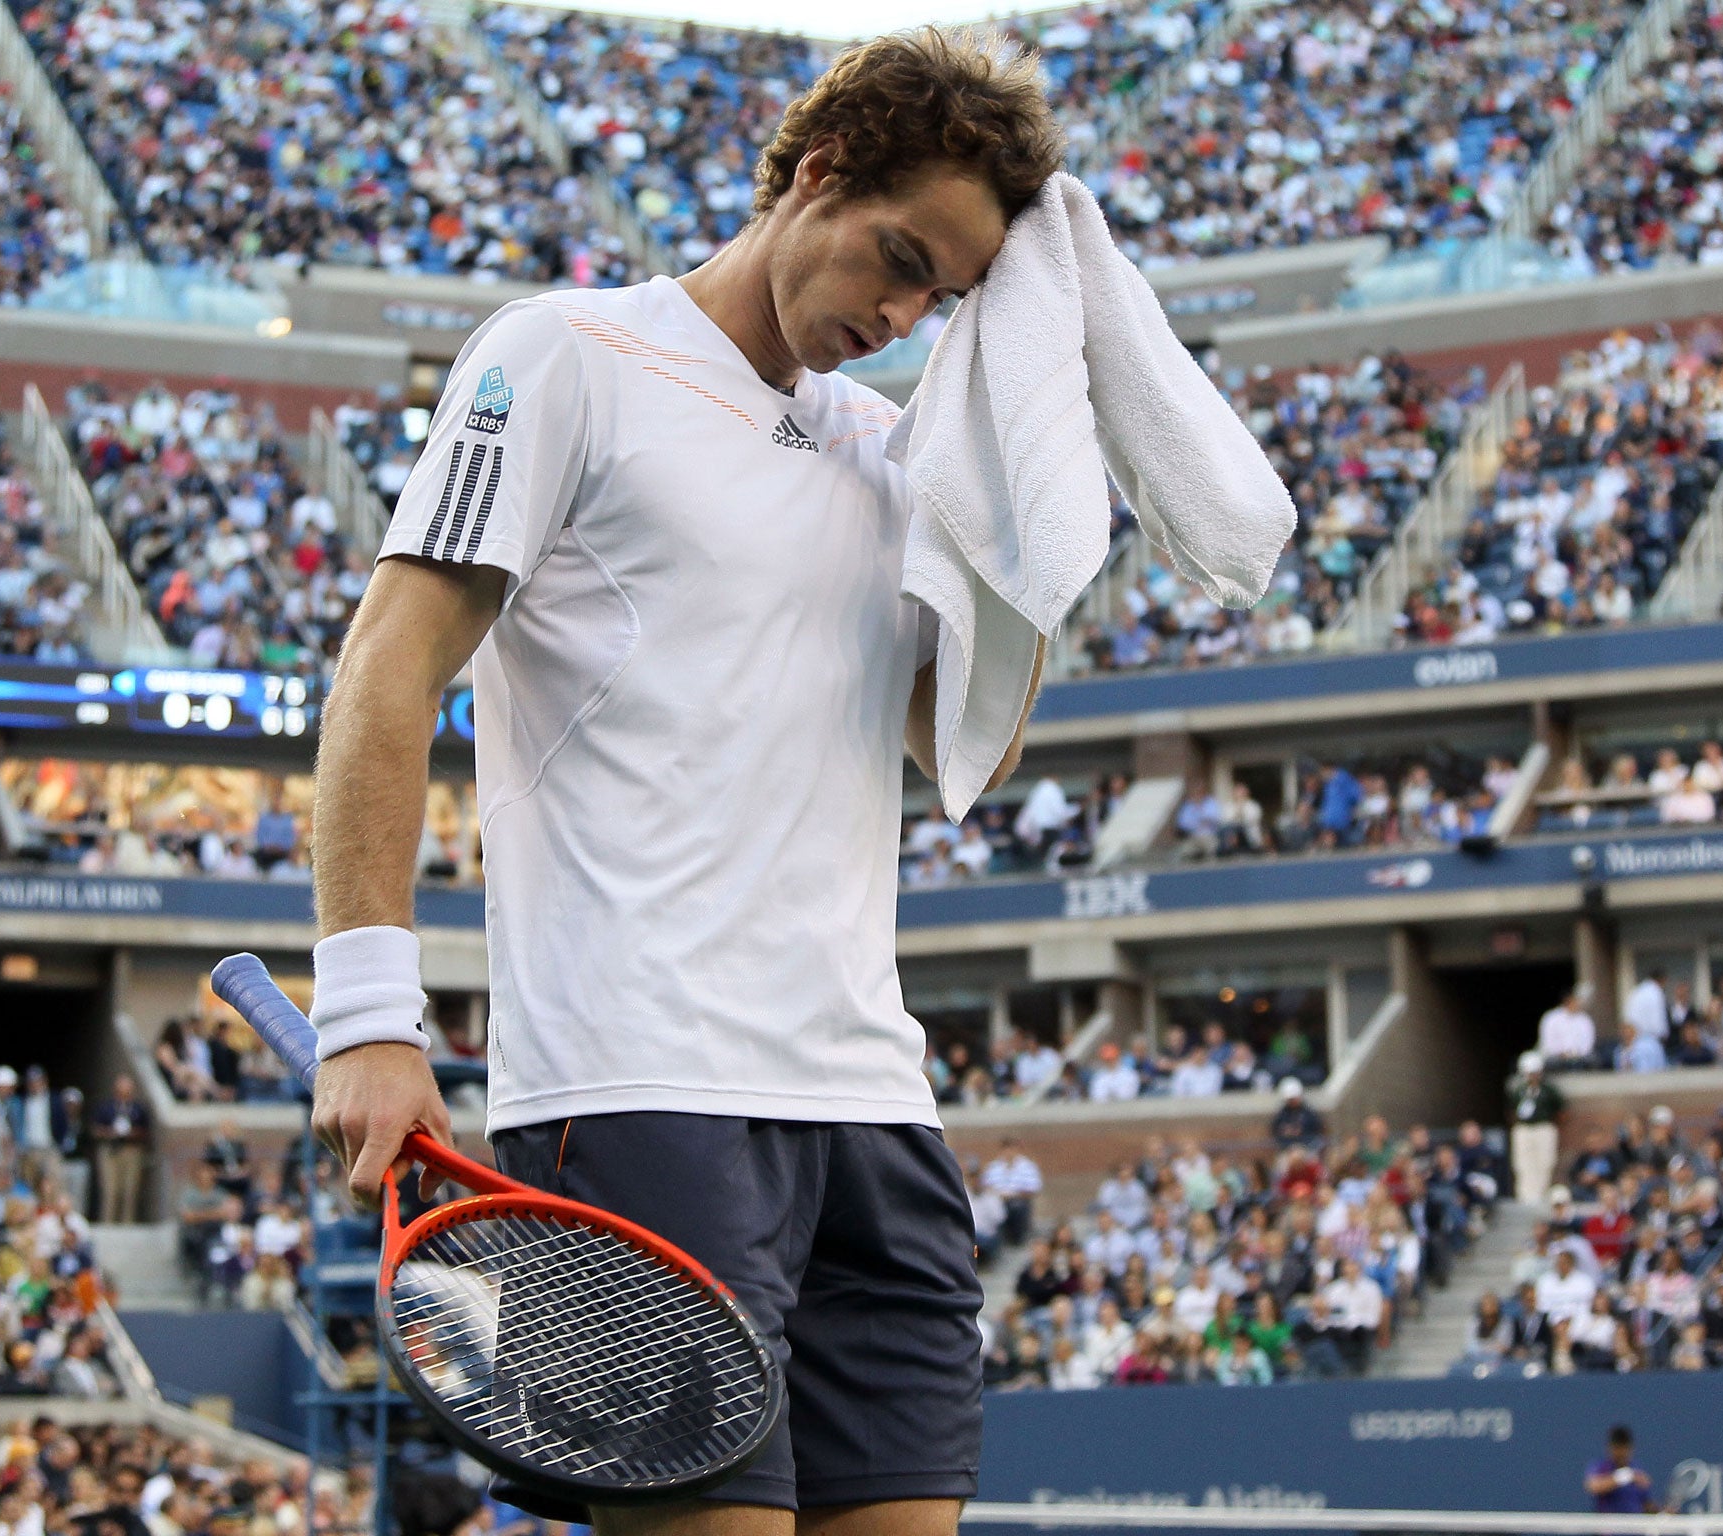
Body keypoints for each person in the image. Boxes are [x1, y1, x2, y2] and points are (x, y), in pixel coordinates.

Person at [301, 29, 1066, 1529]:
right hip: (640, 1095)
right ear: (820, 171)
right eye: (896, 259)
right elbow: (386, 672)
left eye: (941, 298)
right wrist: (370, 1019)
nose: (900, 314)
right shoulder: (565, 356)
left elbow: (971, 745)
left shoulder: (895, 455)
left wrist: (1027, 507)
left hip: (873, 1109)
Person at [89, 1074, 150, 1223]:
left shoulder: (138, 1109)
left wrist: (132, 1133)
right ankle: (108, 1222)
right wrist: (111, 1132)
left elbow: (145, 1131)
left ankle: (127, 1222)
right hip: (110, 1149)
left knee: (129, 1190)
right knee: (110, 1190)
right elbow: (95, 1129)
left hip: (131, 1149)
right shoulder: (106, 1107)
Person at [1507, 1052, 1565, 1204]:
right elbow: (1511, 1110)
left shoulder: (1548, 1090)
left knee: (1545, 1161)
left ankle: (1541, 1193)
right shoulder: (1519, 1090)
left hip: (1543, 1127)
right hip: (1524, 1129)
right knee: (1523, 1163)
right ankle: (1525, 1196)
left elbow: (1560, 1111)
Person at [1585, 1425, 1657, 1515]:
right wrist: (1626, 1475)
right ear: (1610, 1448)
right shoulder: (1601, 1467)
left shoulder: (1638, 1471)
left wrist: (1661, 1514)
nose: (1620, 1453)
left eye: (1624, 1448)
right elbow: (1593, 1487)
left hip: (1633, 1526)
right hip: (1607, 1526)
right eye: (1617, 1448)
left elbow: (1646, 1506)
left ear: (1630, 1448)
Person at [1537, 988, 1596, 1068]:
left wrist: (1575, 1053)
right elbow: (1548, 1042)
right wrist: (1562, 1053)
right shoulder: (1551, 1018)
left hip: (1579, 1057)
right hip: (1556, 1057)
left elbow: (1588, 1043)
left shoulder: (1585, 1020)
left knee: (1591, 1060)